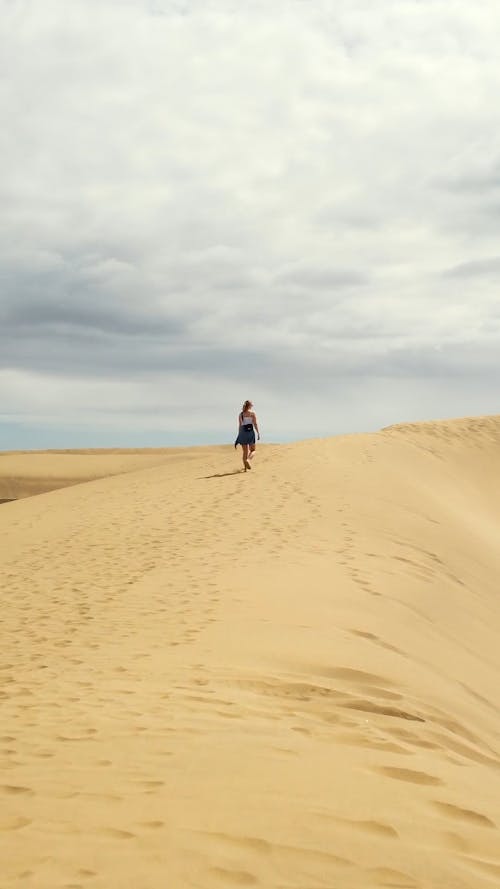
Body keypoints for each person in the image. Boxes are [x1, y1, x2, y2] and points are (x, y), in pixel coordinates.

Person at [234, 400, 260, 471]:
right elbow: (255, 424)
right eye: (252, 404)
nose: (252, 406)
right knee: (253, 450)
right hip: (250, 432)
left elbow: (240, 425)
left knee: (245, 451)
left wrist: (239, 435)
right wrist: (258, 433)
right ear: (249, 405)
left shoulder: (241, 414)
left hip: (242, 433)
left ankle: (245, 468)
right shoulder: (252, 413)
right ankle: (248, 460)